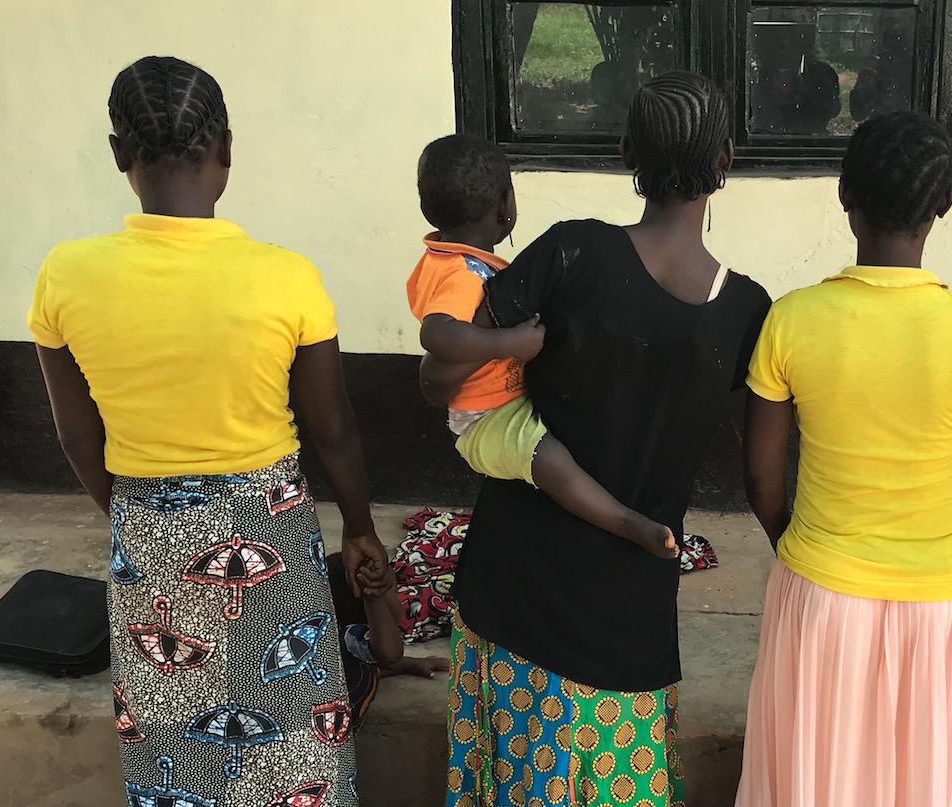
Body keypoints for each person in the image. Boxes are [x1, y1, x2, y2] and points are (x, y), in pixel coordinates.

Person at [29, 56, 387, 807]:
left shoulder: (66, 274)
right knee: (295, 733)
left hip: (146, 532)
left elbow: (74, 436)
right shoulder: (286, 275)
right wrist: (359, 527)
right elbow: (334, 431)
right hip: (272, 527)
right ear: (225, 148)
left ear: (119, 155)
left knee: (168, 734)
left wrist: (137, 520)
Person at [423, 71, 771, 807]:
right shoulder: (746, 312)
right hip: (628, 615)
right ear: (727, 161)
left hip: (512, 587)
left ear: (624, 153)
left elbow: (440, 377)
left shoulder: (570, 252)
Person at [735, 111, 952, 807]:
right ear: (943, 203)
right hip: (946, 603)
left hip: (820, 593)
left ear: (844, 196)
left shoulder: (793, 318)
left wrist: (796, 548)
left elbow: (761, 473)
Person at [409, 134, 676, 559]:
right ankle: (628, 523)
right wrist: (509, 341)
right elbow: (436, 335)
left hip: (506, 400)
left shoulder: (455, 260)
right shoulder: (459, 272)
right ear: (505, 206)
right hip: (485, 418)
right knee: (550, 461)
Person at [324, 552, 448, 725]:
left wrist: (410, 664)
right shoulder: (347, 637)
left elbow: (374, 667)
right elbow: (389, 654)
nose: (400, 598)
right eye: (393, 590)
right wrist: (375, 600)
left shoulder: (338, 644)